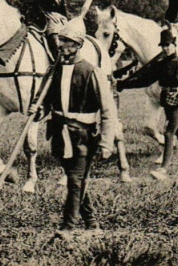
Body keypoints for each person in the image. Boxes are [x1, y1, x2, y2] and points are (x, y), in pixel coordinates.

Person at [28, 18, 117, 239]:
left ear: (78, 45)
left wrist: (106, 142)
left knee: (75, 180)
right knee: (75, 178)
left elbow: (108, 110)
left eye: (68, 42)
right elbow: (45, 104)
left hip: (83, 135)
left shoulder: (91, 71)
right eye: (61, 41)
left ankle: (67, 227)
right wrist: (37, 110)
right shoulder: (53, 71)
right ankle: (92, 223)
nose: (62, 46)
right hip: (59, 134)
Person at [116, 29, 178, 181]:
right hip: (167, 102)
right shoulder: (161, 65)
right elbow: (145, 80)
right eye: (163, 46)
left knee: (168, 132)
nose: (165, 48)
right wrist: (123, 84)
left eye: (168, 45)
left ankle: (163, 169)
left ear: (174, 44)